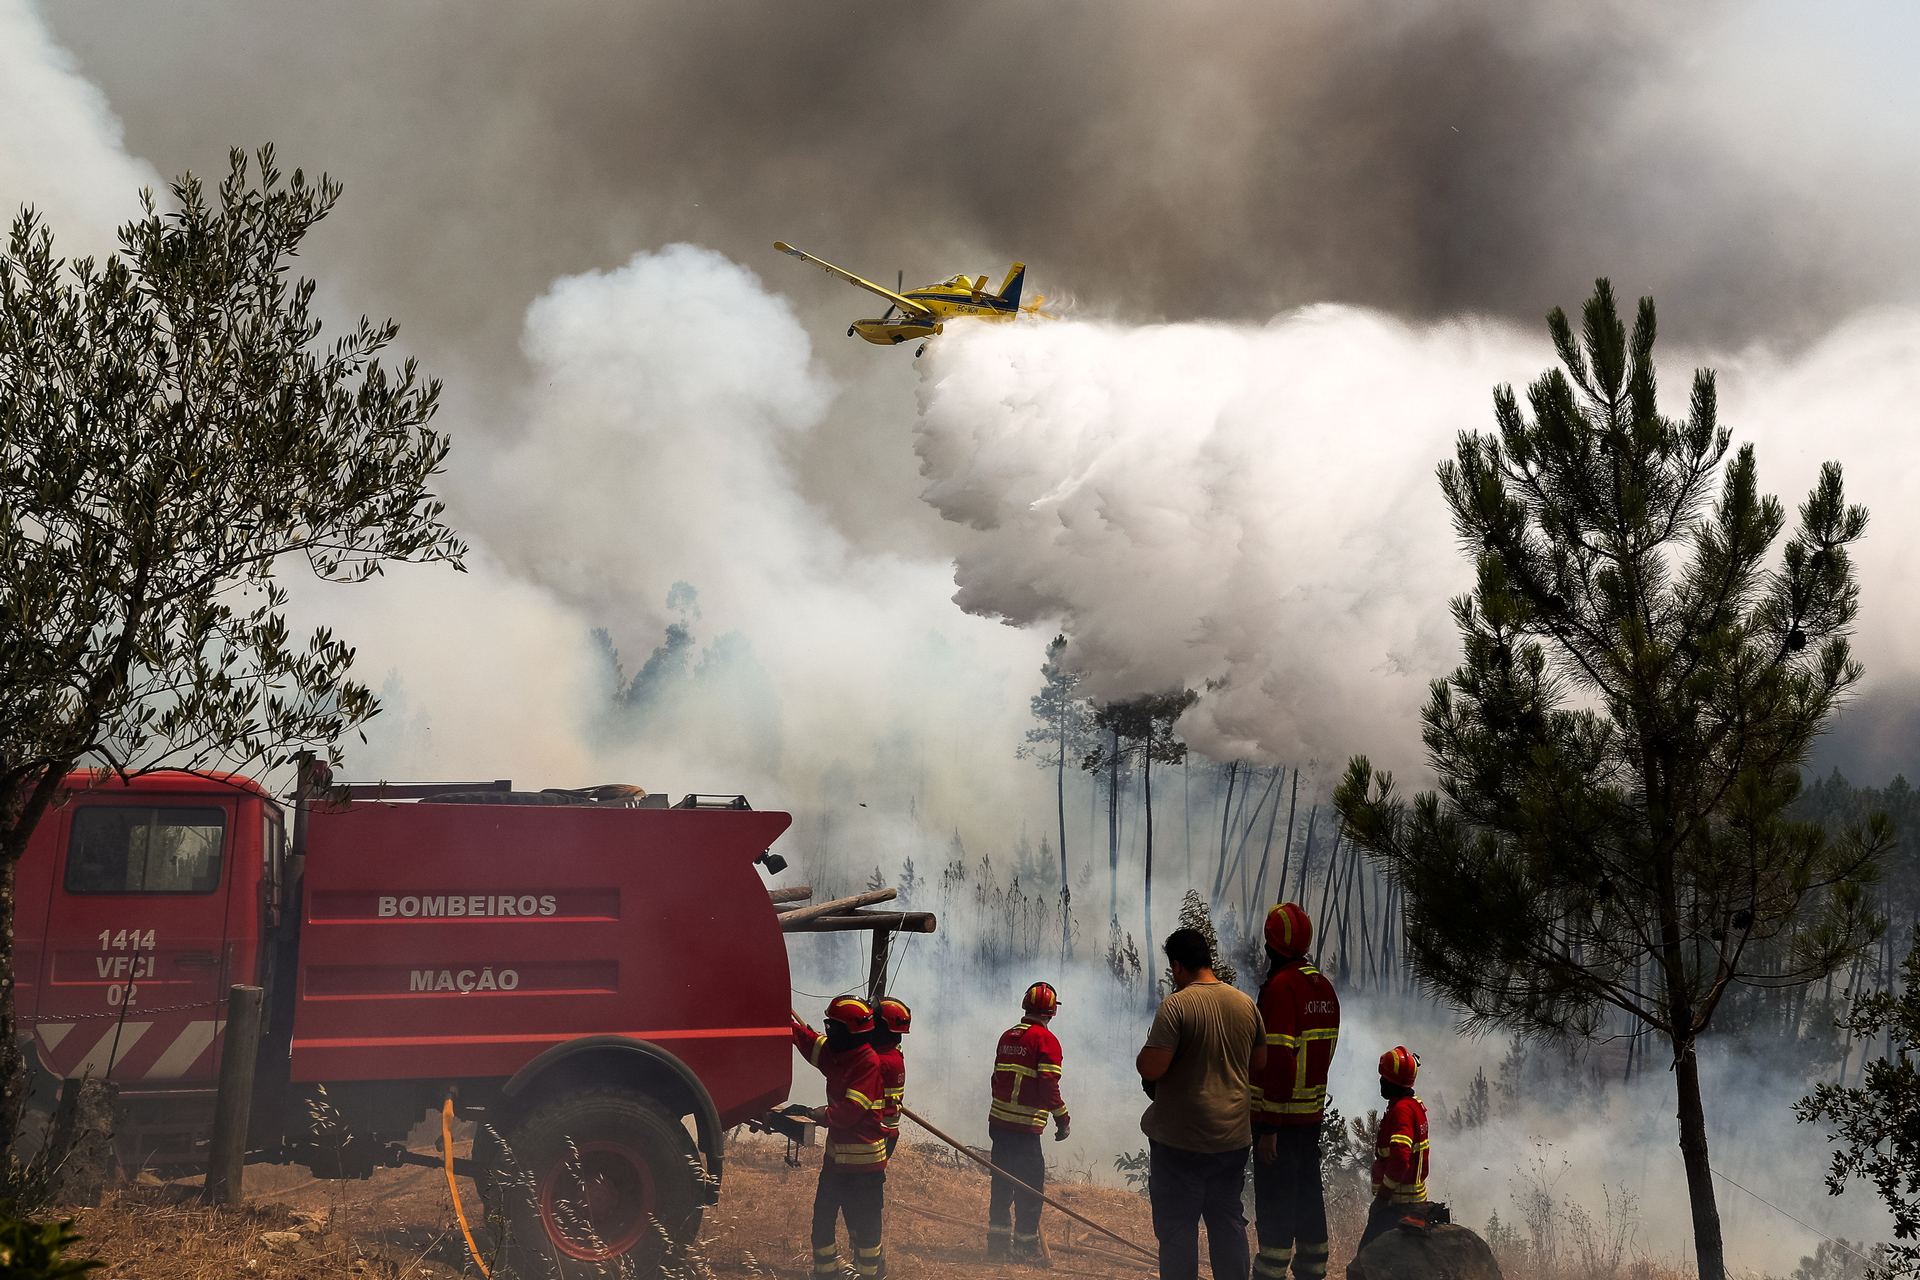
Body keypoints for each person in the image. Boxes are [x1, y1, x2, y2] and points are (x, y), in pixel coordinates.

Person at [1136, 928, 1267, 1280]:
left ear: (1177, 967)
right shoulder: (1245, 1004)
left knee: (1178, 1228)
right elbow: (1258, 1066)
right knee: (1227, 1223)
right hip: (1233, 1140)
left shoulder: (1177, 1005)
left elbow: (1152, 1067)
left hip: (1181, 1142)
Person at [1252, 902, 1341, 1280]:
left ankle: (1270, 1273)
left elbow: (1280, 1060)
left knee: (1275, 1203)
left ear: (1273, 946)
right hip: (1310, 1118)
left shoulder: (1282, 989)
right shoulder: (1323, 986)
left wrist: (1270, 1125)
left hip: (1281, 1120)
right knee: (1307, 1196)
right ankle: (1312, 1269)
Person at [792, 996, 891, 1279]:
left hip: (864, 1168)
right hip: (836, 1162)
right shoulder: (840, 1052)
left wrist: (816, 1114)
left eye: (832, 1026)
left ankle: (869, 1275)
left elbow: (850, 1112)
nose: (828, 1031)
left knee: (864, 1229)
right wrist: (789, 1027)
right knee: (822, 1221)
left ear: (850, 1031)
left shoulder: (867, 1063)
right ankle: (826, 1273)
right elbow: (813, 1044)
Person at [987, 981, 1071, 1263]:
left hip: (999, 1125)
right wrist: (1063, 1118)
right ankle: (1024, 1250)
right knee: (1030, 1191)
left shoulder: (1007, 1036)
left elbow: (995, 1079)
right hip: (1024, 1131)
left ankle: (996, 1247)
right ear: (1051, 1012)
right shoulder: (1046, 1041)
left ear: (1026, 1006)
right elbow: (1048, 1085)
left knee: (1001, 1187)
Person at [1360, 1045, 1431, 1253]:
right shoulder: (1413, 1105)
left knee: (1366, 1257)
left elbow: (1400, 1159)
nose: (1381, 1081)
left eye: (1384, 1078)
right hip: (1412, 1202)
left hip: (1397, 1206)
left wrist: (1382, 1197)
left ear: (1393, 1082)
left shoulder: (1402, 1111)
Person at [875, 997, 912, 1158]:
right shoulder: (893, 1052)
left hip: (880, 1133)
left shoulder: (882, 1062)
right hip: (887, 1132)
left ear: (882, 1030)